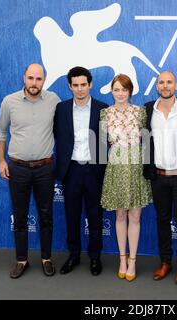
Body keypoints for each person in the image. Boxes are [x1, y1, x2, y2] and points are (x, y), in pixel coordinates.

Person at [0, 63, 60, 279]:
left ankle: (46, 258)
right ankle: (22, 259)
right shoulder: (9, 101)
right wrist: (2, 161)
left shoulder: (54, 100)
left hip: (45, 168)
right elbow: (0, 132)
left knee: (46, 215)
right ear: (24, 78)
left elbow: (63, 131)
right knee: (20, 216)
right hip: (18, 168)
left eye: (39, 79)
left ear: (44, 80)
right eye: (31, 78)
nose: (34, 83)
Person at [143, 71, 177, 285]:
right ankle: (165, 261)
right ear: (157, 86)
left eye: (169, 82)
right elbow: (144, 141)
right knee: (162, 221)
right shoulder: (148, 109)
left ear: (176, 85)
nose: (165, 86)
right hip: (158, 177)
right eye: (161, 82)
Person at [54, 66, 108, 276]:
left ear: (90, 84)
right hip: (72, 170)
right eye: (75, 85)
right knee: (72, 215)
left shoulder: (103, 109)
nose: (79, 89)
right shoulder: (61, 109)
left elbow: (107, 142)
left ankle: (95, 257)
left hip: (94, 170)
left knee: (95, 216)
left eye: (83, 84)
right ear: (69, 86)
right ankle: (74, 255)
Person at [100, 74, 152, 282]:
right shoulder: (105, 114)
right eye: (116, 89)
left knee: (135, 217)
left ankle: (133, 260)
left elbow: (147, 142)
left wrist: (147, 168)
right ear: (111, 91)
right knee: (120, 216)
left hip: (136, 168)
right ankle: (122, 259)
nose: (120, 93)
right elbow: (102, 147)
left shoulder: (141, 113)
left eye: (124, 89)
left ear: (130, 91)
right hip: (116, 168)